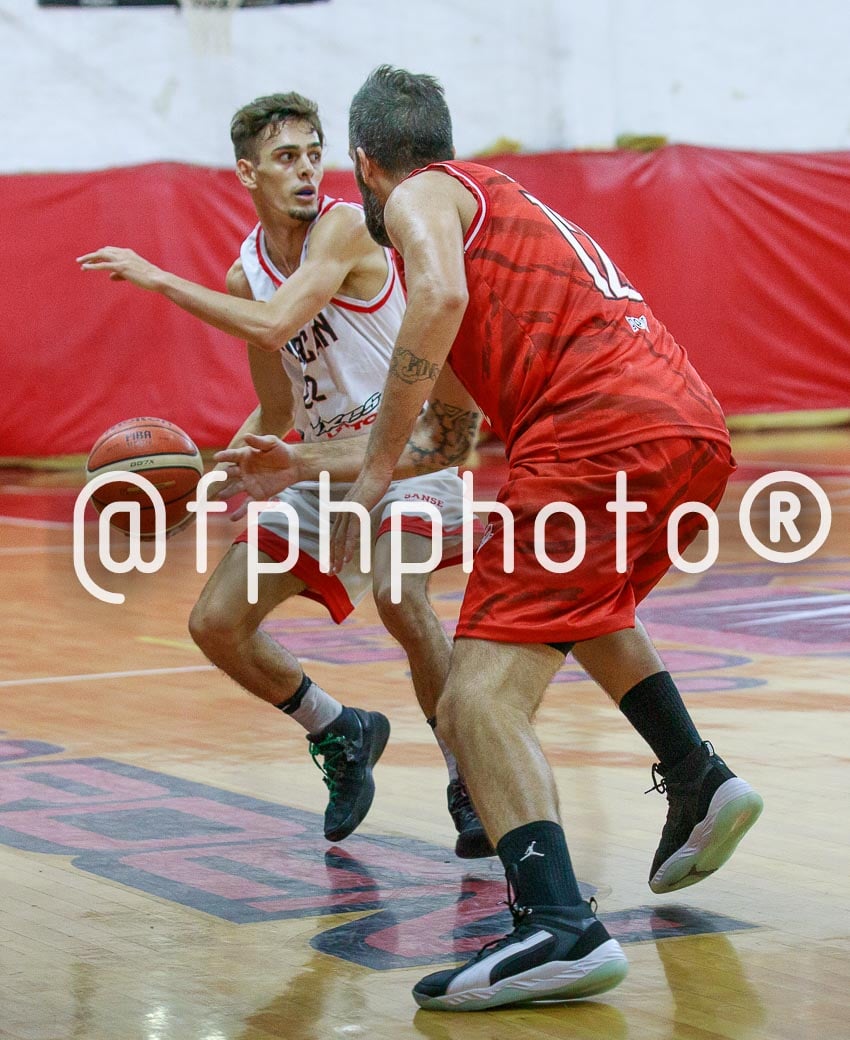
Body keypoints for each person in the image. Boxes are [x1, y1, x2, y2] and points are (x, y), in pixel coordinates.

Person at [216, 67, 764, 1012]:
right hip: (685, 431)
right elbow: (448, 438)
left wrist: (373, 479)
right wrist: (302, 464)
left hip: (593, 439)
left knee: (475, 700)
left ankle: (557, 926)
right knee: (584, 611)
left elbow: (432, 303)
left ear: (365, 164)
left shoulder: (424, 195)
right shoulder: (505, 217)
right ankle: (695, 774)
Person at [77, 92, 493, 858]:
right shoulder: (247, 275)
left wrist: (155, 276)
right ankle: (339, 730)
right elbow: (276, 407)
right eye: (284, 158)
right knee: (216, 624)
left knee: (400, 595)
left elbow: (276, 326)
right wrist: (206, 486)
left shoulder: (346, 226)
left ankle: (468, 776)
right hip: (321, 464)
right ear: (248, 173)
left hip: (406, 449)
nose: (305, 170)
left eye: (312, 154)